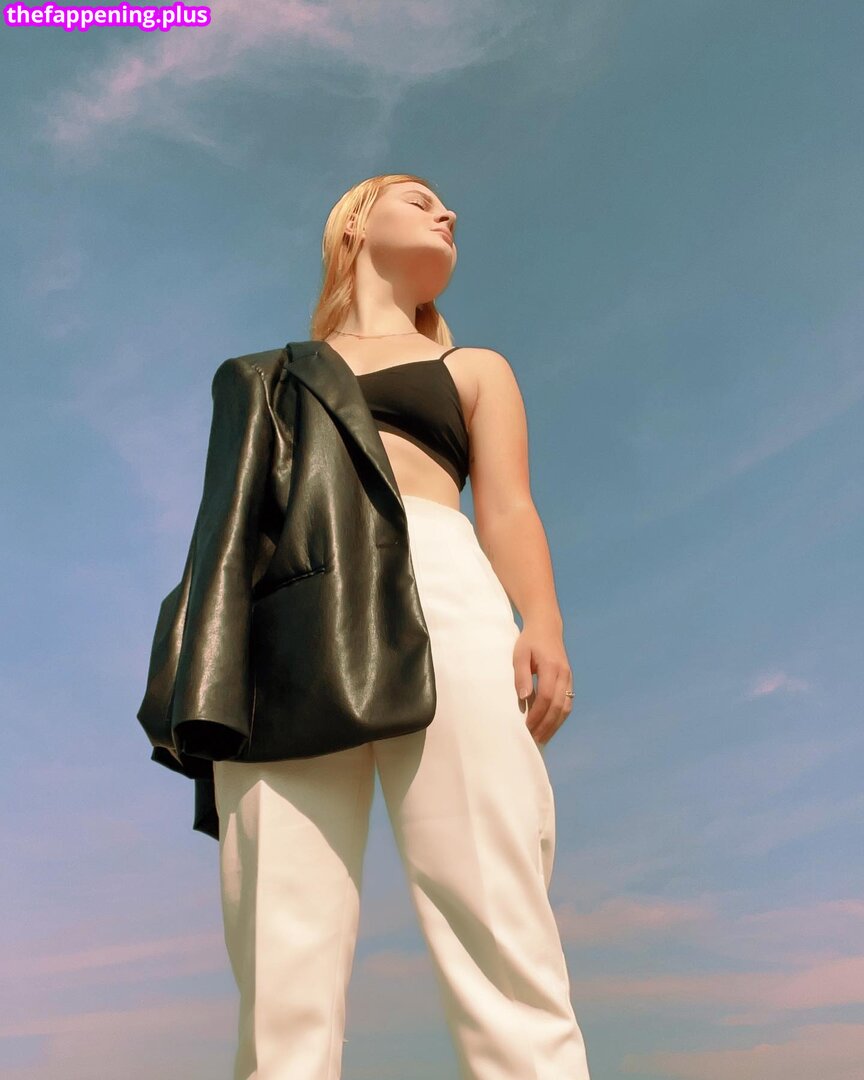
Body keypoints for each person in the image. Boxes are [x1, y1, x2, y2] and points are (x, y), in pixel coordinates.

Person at [211, 174, 592, 1079]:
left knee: (496, 898)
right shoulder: (269, 377)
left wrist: (542, 621)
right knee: (281, 937)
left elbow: (507, 506)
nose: (447, 213)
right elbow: (230, 535)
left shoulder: (473, 369)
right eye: (419, 199)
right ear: (354, 224)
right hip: (286, 611)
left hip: (442, 582)